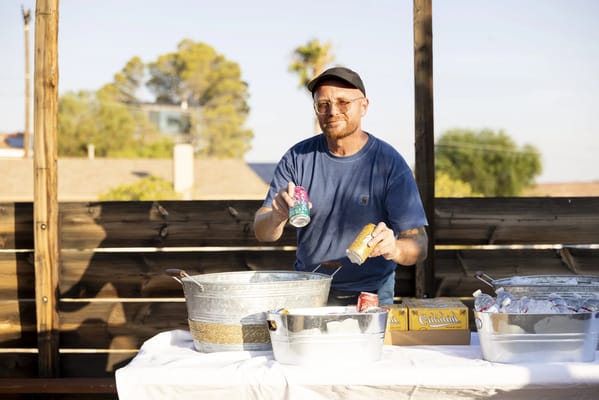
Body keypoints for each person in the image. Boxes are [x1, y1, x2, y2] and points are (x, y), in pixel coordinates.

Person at [253, 66, 428, 306]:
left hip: (371, 294)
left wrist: (394, 248)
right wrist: (276, 216)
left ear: (364, 106)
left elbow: (419, 244)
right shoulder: (297, 157)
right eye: (322, 105)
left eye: (343, 102)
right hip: (309, 291)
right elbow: (262, 232)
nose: (332, 111)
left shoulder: (389, 163)